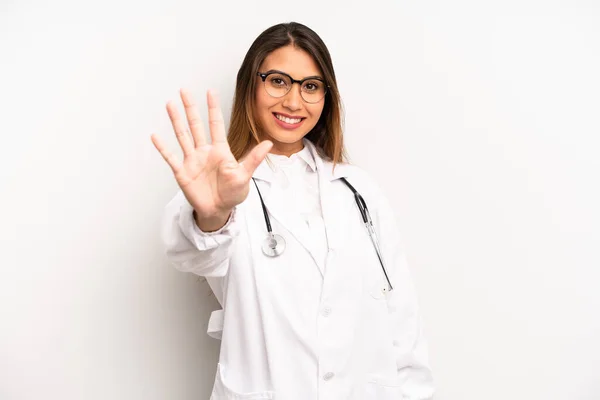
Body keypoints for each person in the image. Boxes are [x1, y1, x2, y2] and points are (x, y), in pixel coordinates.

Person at [151, 22, 434, 400]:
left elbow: (402, 323)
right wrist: (212, 214)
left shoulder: (359, 191)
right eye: (278, 81)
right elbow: (192, 250)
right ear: (251, 84)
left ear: (326, 97)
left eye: (311, 86)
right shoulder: (225, 188)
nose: (294, 102)